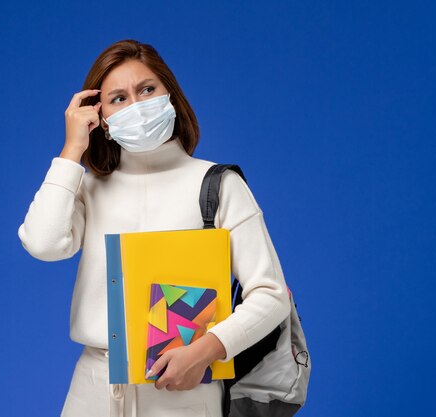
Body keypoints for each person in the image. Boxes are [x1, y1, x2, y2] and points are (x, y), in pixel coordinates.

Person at [17, 39, 291, 417]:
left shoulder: (217, 185)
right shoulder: (87, 187)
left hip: (185, 391)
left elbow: (271, 295)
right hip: (93, 389)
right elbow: (44, 244)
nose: (137, 105)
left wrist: (204, 351)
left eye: (147, 89)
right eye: (118, 98)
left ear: (171, 97)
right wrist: (71, 151)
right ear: (103, 120)